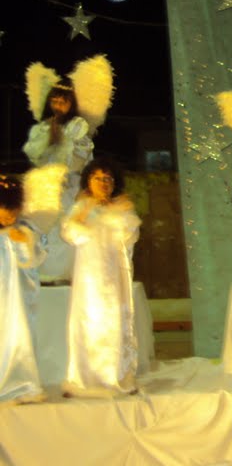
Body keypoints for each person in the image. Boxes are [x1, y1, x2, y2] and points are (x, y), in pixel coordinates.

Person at [61, 158, 141, 398]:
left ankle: (115, 376)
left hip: (115, 274)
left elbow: (130, 236)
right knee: (88, 322)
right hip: (89, 277)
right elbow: (71, 234)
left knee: (114, 321)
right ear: (88, 181)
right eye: (97, 178)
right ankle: (84, 378)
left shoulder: (122, 207)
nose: (103, 183)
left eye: (108, 179)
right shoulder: (81, 206)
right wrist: (87, 211)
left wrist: (119, 212)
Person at [23, 79, 92, 283]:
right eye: (55, 101)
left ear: (72, 104)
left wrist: (61, 143)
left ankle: (65, 275)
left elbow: (79, 160)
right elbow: (35, 157)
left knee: (63, 229)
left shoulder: (77, 126)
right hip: (44, 190)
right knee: (43, 230)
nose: (58, 106)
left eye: (63, 102)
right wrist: (49, 140)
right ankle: (43, 273)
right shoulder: (43, 128)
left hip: (67, 187)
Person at [0, 175, 46, 405]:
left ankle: (23, 384)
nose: (11, 215)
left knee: (20, 337)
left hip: (19, 297)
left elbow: (35, 259)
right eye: (5, 209)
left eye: (14, 210)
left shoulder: (27, 229)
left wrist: (24, 242)